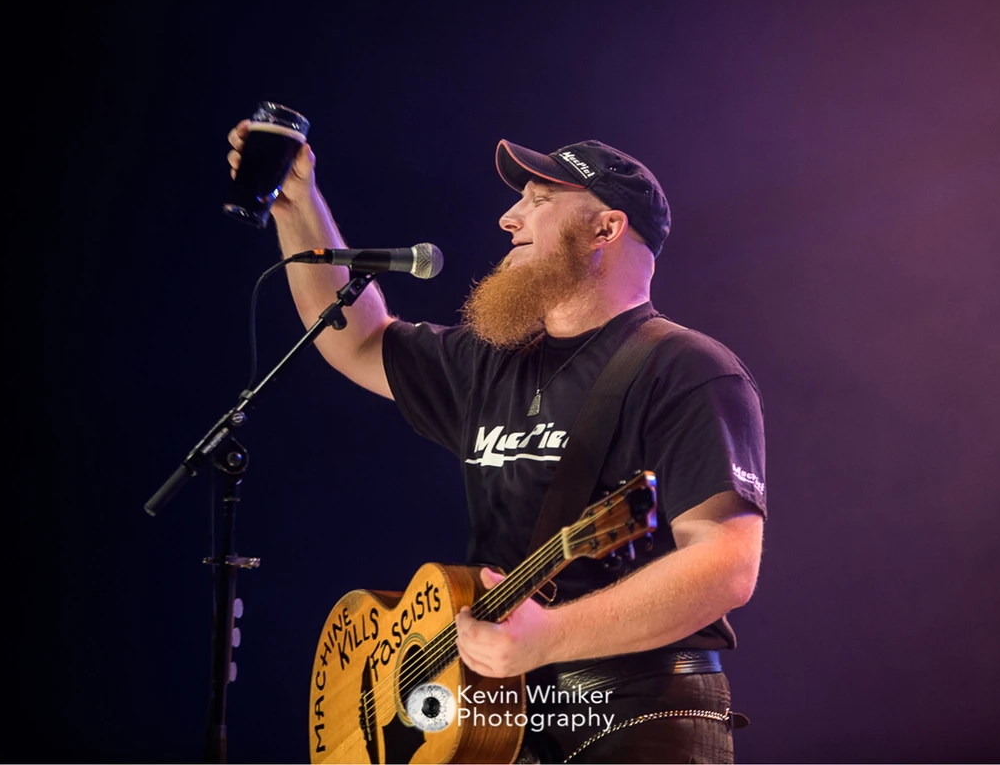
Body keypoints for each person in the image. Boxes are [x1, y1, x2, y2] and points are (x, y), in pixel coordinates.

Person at [227, 124, 767, 763]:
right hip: (497, 715)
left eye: (540, 200)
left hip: (638, 714)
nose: (509, 218)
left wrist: (550, 637)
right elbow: (359, 339)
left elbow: (726, 565)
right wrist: (298, 203)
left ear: (607, 228)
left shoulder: (686, 368)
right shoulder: (491, 360)